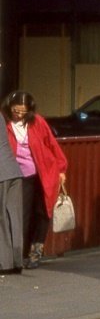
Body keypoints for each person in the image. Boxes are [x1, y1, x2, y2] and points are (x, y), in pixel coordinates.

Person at [3, 91, 68, 270]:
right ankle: (19, 254)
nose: (19, 115)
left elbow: (51, 144)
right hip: (17, 176)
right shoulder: (4, 123)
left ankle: (35, 252)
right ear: (9, 107)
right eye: (16, 111)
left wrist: (61, 169)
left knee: (42, 212)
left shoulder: (37, 122)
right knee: (20, 215)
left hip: (43, 173)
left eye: (23, 112)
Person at [0, 109, 23, 274]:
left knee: (1, 218)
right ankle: (17, 261)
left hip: (1, 173)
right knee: (14, 216)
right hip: (13, 170)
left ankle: (4, 263)